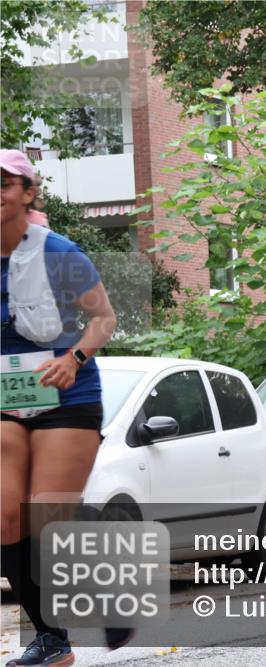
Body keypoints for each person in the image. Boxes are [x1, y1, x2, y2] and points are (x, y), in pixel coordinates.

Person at [1, 148, 119, 665]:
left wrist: (74, 358)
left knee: (46, 515)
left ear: (28, 193)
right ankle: (52, 639)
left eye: (4, 183)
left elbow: (104, 320)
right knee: (6, 518)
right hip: (5, 396)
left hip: (65, 394)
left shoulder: (58, 253)